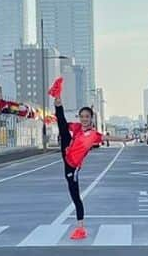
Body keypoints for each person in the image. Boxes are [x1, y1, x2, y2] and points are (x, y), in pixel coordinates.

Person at [49, 77, 128, 240]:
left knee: (75, 195)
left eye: (87, 116)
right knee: (62, 125)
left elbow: (108, 138)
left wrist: (124, 139)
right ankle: (57, 97)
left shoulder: (93, 135)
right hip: (66, 152)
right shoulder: (77, 127)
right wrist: (55, 115)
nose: (84, 118)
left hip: (73, 166)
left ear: (91, 118)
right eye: (82, 116)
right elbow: (63, 123)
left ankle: (80, 228)